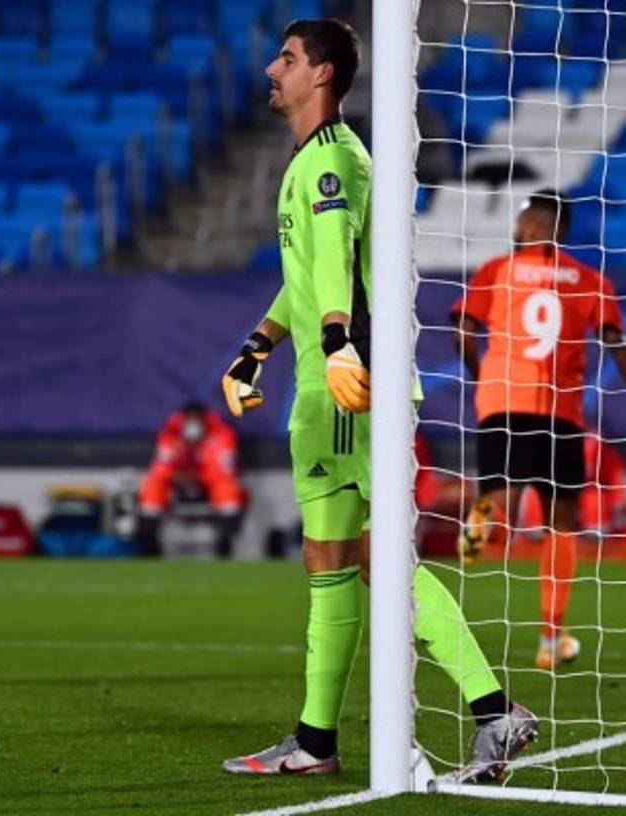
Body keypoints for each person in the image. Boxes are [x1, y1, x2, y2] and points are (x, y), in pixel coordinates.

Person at [216, 19, 535, 782]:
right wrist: (256, 350)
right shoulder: (309, 162)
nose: (272, 67)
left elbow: (333, 274)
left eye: (287, 59)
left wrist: (335, 348)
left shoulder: (336, 163)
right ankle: (315, 742)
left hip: (351, 383)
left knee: (375, 556)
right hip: (327, 381)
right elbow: (308, 278)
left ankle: (495, 711)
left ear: (320, 74)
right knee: (330, 558)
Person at [452, 189, 626, 671]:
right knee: (562, 524)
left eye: (522, 224)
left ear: (536, 227)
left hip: (501, 402)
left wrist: (480, 372)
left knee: (501, 503)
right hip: (560, 414)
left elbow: (463, 328)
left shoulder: (497, 270)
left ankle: (482, 520)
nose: (517, 231)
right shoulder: (590, 281)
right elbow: (620, 350)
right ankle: (551, 639)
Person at [137, 401, 245, 558]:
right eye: (189, 418)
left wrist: (197, 474)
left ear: (205, 419)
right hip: (177, 482)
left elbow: (223, 469)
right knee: (154, 483)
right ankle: (149, 538)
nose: (193, 423)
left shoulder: (222, 434)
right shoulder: (170, 433)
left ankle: (225, 540)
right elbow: (162, 465)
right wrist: (177, 475)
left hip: (209, 482)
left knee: (227, 486)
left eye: (197, 418)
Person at [514, 434, 626, 546]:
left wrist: (618, 506)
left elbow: (619, 491)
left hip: (595, 506)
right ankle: (537, 545)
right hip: (555, 497)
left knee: (594, 501)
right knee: (536, 499)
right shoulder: (545, 443)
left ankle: (594, 545)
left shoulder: (601, 447)